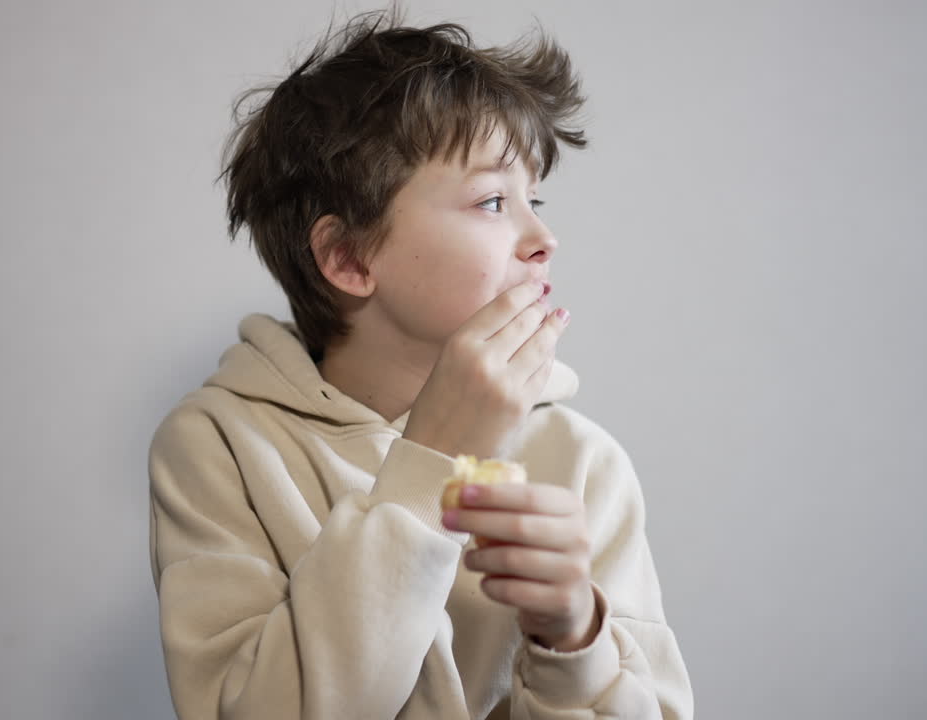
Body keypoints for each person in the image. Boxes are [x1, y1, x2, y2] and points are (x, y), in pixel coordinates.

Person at [148, 9, 693, 719]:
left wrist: (575, 640)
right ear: (348, 257)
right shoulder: (217, 447)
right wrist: (432, 455)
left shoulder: (585, 463)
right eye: (494, 200)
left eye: (536, 199)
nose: (544, 238)